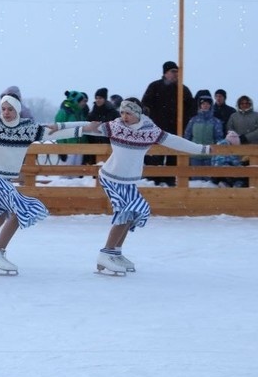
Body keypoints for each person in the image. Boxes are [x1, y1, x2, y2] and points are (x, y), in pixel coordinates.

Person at [84, 98, 219, 275]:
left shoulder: (150, 131)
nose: (124, 116)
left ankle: (115, 252)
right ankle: (106, 253)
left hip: (128, 180)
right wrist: (54, 129)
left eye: (128, 113)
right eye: (122, 112)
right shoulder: (115, 127)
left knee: (134, 212)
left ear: (138, 114)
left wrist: (202, 149)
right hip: (111, 177)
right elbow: (84, 127)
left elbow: (175, 141)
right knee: (126, 210)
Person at [0, 94, 88, 275]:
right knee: (21, 210)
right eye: (3, 109)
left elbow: (54, 132)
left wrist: (84, 128)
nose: (6, 112)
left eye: (10, 109)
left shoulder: (26, 129)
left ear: (17, 110)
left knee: (0, 215)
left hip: (2, 179)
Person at [141, 60, 195, 185]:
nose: (176, 74)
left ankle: (170, 181)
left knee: (173, 157)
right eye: (173, 71)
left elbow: (191, 108)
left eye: (177, 72)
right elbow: (145, 106)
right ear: (165, 73)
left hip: (176, 130)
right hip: (157, 130)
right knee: (155, 157)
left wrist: (185, 123)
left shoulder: (183, 89)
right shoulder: (155, 87)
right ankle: (153, 182)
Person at [184, 90, 223, 174]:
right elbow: (187, 135)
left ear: (210, 105)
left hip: (209, 155)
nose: (205, 106)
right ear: (200, 105)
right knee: (195, 177)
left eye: (207, 104)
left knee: (208, 177)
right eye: (203, 104)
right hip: (195, 154)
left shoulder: (216, 121)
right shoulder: (193, 120)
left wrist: (217, 152)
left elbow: (219, 138)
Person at [225, 94, 257, 187]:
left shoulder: (256, 115)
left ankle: (252, 186)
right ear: (239, 104)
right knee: (239, 169)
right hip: (237, 148)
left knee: (252, 168)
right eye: (242, 103)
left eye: (246, 103)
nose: (244, 105)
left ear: (250, 104)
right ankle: (239, 185)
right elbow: (229, 129)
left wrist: (246, 137)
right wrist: (235, 138)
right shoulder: (234, 116)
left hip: (253, 148)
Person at [84, 87, 119, 165]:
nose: (98, 100)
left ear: (105, 99)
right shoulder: (92, 114)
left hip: (109, 146)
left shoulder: (113, 113)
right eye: (96, 98)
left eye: (100, 98)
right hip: (94, 146)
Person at [54, 90, 88, 165]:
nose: (84, 103)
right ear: (76, 101)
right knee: (66, 171)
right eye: (82, 101)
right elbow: (58, 131)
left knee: (78, 171)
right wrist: (62, 150)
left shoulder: (80, 113)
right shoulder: (63, 112)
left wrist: (85, 146)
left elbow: (84, 131)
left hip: (80, 148)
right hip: (68, 149)